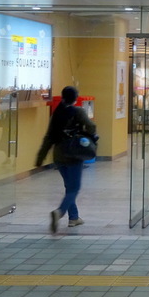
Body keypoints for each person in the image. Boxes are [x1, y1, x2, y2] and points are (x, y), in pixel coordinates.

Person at [36, 85, 97, 233]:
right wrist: (84, 134)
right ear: (75, 98)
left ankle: (74, 218)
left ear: (63, 97)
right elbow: (91, 127)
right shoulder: (78, 112)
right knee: (74, 188)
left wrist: (40, 157)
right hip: (74, 154)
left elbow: (49, 137)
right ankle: (59, 212)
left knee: (69, 187)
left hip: (59, 156)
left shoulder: (56, 114)